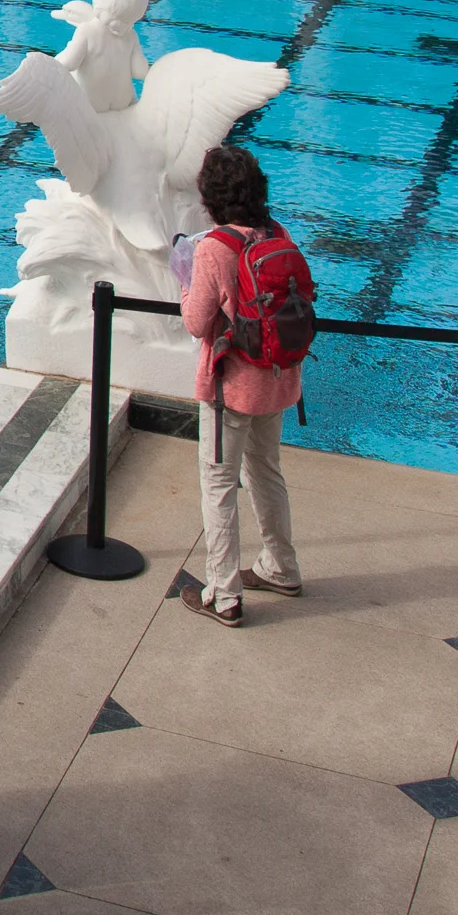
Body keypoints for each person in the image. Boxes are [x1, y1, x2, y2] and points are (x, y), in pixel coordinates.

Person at [179, 143, 304, 626]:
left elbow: (195, 321)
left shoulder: (212, 249)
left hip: (230, 389)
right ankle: (280, 566)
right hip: (277, 380)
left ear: (210, 198)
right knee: (266, 471)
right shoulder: (277, 232)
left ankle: (223, 595)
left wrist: (184, 273)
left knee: (219, 484)